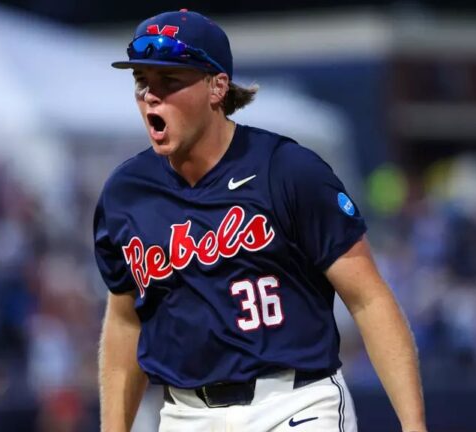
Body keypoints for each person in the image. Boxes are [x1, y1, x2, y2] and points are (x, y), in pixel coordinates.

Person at [94, 9, 427, 432]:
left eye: (170, 83)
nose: (151, 97)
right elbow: (125, 320)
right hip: (184, 414)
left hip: (292, 404)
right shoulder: (127, 192)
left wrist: (414, 425)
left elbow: (368, 298)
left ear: (217, 87)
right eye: (143, 82)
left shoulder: (287, 170)